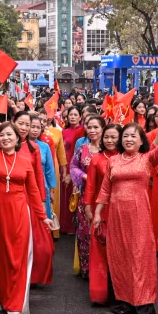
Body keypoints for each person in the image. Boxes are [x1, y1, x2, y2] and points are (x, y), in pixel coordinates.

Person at [94, 113, 158, 314]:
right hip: (116, 214)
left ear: (142, 140)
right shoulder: (113, 161)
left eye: (134, 136)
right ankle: (124, 301)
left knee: (140, 256)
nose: (129, 139)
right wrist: (97, 213)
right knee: (119, 255)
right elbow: (105, 188)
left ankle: (142, 305)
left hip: (139, 214)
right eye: (126, 136)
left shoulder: (147, 159)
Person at [0, 103, 54, 314]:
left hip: (18, 214)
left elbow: (34, 192)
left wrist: (44, 216)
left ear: (18, 138)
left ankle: (15, 302)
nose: (5, 138)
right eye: (2, 135)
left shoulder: (26, 162)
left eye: (9, 135)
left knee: (15, 257)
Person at [12, 111, 53, 284]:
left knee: (40, 244)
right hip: (10, 199)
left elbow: (38, 177)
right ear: (13, 122)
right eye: (21, 123)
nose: (24, 128)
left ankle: (32, 275)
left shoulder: (34, 147)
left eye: (27, 125)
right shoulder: (5, 142)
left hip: (30, 198)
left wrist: (42, 202)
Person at [84, 123, 122, 304]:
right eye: (106, 137)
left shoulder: (126, 158)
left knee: (120, 251)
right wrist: (88, 207)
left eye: (114, 137)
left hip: (122, 209)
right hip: (101, 209)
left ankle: (121, 293)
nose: (109, 140)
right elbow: (90, 186)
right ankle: (100, 293)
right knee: (100, 249)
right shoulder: (96, 159)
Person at [70, 115, 105, 277]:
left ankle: (103, 269)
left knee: (102, 231)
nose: (92, 131)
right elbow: (73, 167)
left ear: (103, 128)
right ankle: (87, 267)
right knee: (84, 231)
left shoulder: (109, 148)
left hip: (106, 197)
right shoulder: (82, 148)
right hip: (86, 196)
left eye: (96, 127)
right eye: (89, 127)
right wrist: (85, 176)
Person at [60, 106, 84, 235]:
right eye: (71, 115)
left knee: (75, 193)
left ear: (80, 117)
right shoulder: (64, 131)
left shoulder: (83, 131)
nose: (73, 117)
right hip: (64, 163)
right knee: (65, 194)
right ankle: (65, 224)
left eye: (76, 114)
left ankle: (74, 225)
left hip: (76, 164)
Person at [29, 115, 57, 224]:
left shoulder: (45, 146)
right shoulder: (19, 146)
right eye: (32, 126)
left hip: (42, 186)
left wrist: (51, 190)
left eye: (38, 127)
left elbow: (49, 170)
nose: (35, 130)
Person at [44, 115, 69, 239]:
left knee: (54, 196)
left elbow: (61, 152)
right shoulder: (34, 130)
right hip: (40, 165)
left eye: (46, 117)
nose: (44, 120)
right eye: (42, 118)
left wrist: (64, 171)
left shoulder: (57, 131)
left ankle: (54, 229)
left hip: (54, 166)